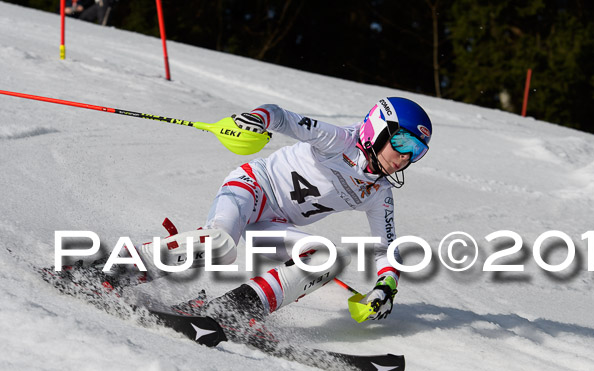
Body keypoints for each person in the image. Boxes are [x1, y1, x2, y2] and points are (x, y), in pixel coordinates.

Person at [85, 97, 433, 329]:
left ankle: (231, 312)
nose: (405, 157)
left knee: (325, 260)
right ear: (378, 129)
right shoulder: (338, 140)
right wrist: (257, 118)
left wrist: (386, 286)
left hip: (273, 224)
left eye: (416, 151)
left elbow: (389, 247)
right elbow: (281, 117)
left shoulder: (378, 192)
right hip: (251, 189)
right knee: (220, 243)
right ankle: (108, 272)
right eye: (402, 142)